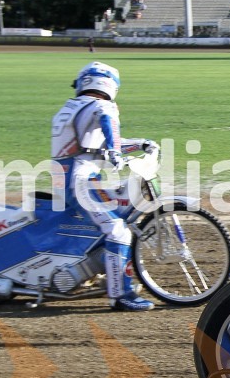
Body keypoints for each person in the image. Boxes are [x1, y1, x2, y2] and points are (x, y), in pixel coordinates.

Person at [51, 62, 157, 311]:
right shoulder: (102, 106)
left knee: (114, 216)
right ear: (110, 85)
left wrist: (140, 144)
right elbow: (109, 127)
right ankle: (121, 295)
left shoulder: (73, 106)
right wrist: (114, 151)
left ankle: (100, 271)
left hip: (69, 177)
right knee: (118, 231)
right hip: (80, 180)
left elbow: (99, 145)